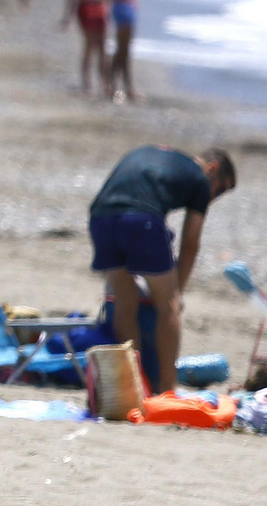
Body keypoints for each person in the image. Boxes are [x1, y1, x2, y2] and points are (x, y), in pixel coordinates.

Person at [88, 145, 236, 394]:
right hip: (141, 219)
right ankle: (167, 389)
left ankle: (134, 386)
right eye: (219, 190)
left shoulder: (156, 155)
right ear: (213, 168)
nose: (214, 198)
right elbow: (190, 244)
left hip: (100, 217)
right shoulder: (200, 179)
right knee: (168, 306)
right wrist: (177, 293)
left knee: (125, 302)